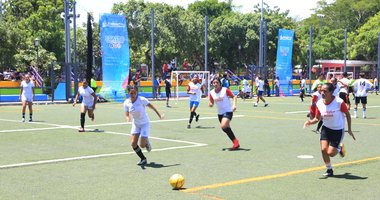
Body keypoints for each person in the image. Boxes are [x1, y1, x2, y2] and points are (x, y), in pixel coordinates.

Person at [303, 83, 356, 177]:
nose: (322, 93)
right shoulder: (319, 103)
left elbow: (347, 114)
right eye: (321, 91)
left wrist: (350, 129)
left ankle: (339, 147)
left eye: (325, 91)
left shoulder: (339, 102)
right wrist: (310, 122)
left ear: (331, 92)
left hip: (338, 130)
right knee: (323, 149)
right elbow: (317, 118)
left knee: (330, 153)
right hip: (326, 129)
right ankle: (329, 169)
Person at [123, 85, 164, 165]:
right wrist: (128, 118)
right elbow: (127, 114)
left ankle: (146, 142)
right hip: (136, 124)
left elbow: (152, 107)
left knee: (142, 145)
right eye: (131, 93)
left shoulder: (141, 100)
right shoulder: (126, 103)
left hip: (145, 124)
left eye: (135, 93)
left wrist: (159, 115)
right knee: (133, 144)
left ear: (137, 92)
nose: (133, 94)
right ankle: (143, 159)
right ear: (128, 93)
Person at [208, 77, 240, 150]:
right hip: (220, 113)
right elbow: (211, 102)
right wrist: (210, 104)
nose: (215, 84)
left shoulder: (225, 90)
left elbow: (234, 96)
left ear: (220, 83)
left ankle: (235, 142)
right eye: (214, 83)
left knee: (223, 125)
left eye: (217, 82)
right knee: (225, 128)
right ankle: (235, 142)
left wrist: (234, 105)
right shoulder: (212, 92)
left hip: (228, 111)